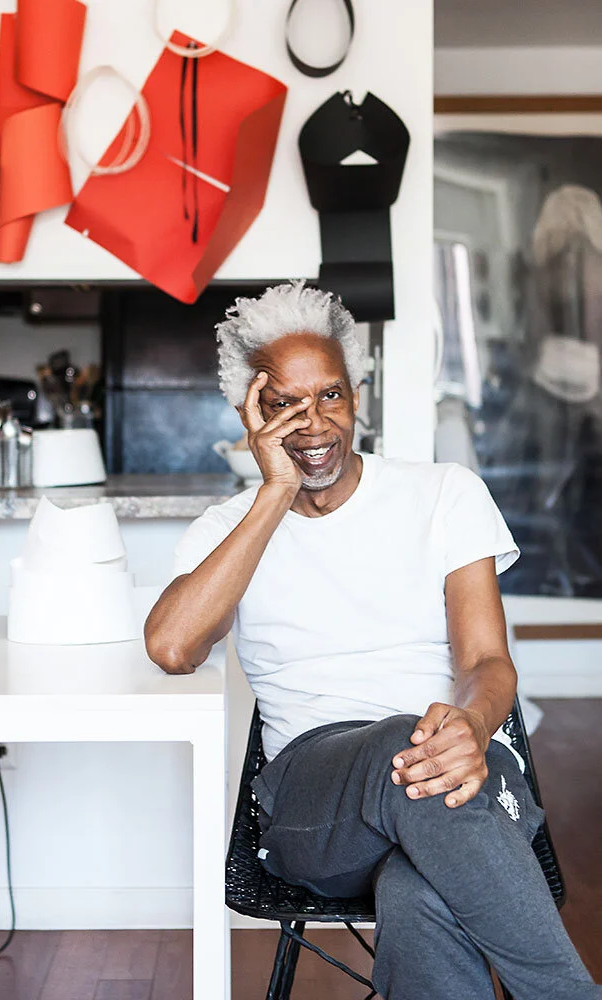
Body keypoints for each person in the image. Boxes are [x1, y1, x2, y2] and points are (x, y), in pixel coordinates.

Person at [144, 281, 600, 1000]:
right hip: (315, 800)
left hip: (465, 768)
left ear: (356, 396)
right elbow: (172, 647)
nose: (313, 422)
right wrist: (272, 495)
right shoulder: (224, 532)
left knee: (417, 893)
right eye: (283, 404)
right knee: (405, 747)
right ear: (248, 412)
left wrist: (474, 726)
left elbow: (485, 661)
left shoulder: (444, 493)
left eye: (329, 395)